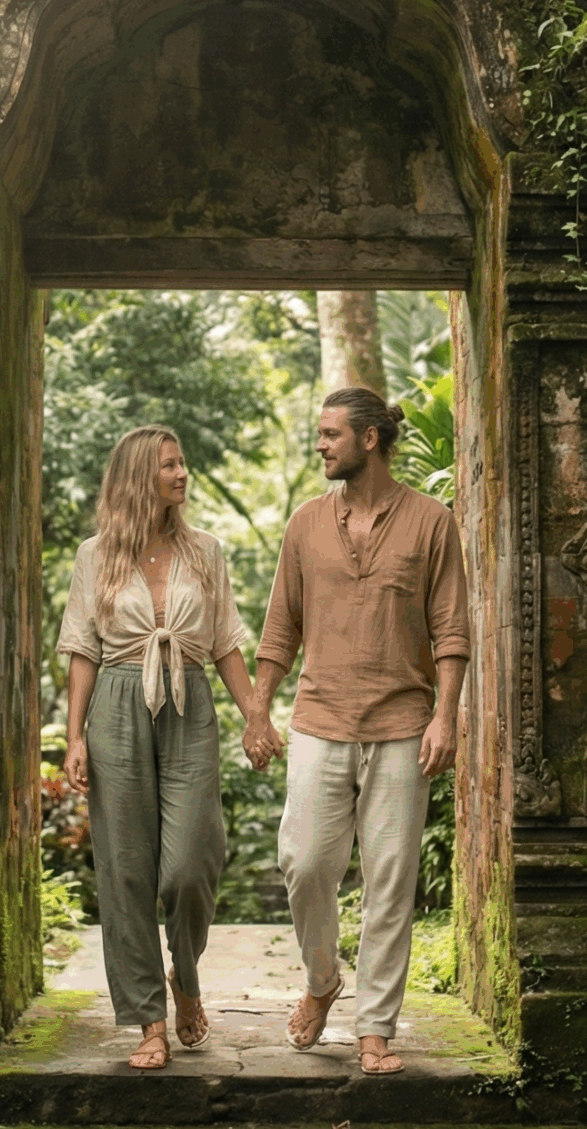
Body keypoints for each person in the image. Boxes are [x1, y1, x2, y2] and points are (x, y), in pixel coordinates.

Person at [254, 386, 468, 1077]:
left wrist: (447, 715)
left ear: (369, 439)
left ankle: (375, 1027)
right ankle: (322, 981)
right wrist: (258, 706)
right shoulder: (306, 523)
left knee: (389, 881)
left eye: (329, 434)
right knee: (306, 863)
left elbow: (451, 629)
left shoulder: (432, 521)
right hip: (320, 719)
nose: (319, 445)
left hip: (405, 726)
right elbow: (279, 627)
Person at [59, 425, 285, 1071]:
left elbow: (224, 643)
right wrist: (75, 736)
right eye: (169, 465)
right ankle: (149, 1020)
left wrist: (255, 717)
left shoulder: (206, 552)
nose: (182, 474)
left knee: (191, 862)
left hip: (189, 703)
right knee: (125, 870)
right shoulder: (93, 556)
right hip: (118, 703)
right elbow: (81, 648)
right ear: (139, 477)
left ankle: (184, 976)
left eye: (182, 462)